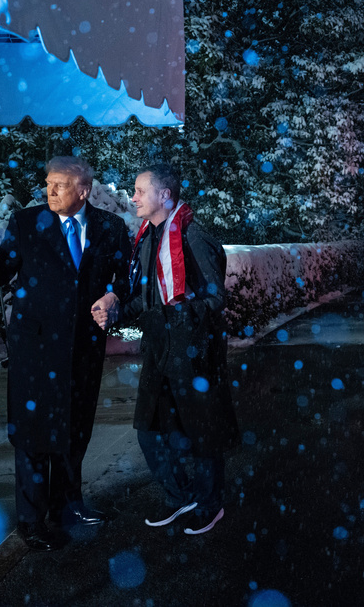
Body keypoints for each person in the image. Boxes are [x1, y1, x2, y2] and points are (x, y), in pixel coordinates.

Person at [0, 156, 130, 552]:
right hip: (35, 352)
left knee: (75, 430)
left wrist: (115, 295)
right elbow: (0, 270)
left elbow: (124, 276)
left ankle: (68, 507)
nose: (49, 191)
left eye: (59, 185)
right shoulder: (25, 223)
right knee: (34, 437)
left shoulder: (111, 228)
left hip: (83, 349)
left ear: (83, 191)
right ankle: (31, 521)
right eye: (47, 183)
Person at [110, 163, 239, 535]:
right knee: (150, 432)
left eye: (139, 190)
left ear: (164, 195)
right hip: (159, 352)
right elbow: (145, 298)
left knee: (202, 434)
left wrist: (176, 317)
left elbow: (215, 299)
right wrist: (115, 308)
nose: (132, 197)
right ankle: (181, 496)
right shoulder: (149, 238)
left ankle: (210, 504)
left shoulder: (193, 238)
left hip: (193, 355)